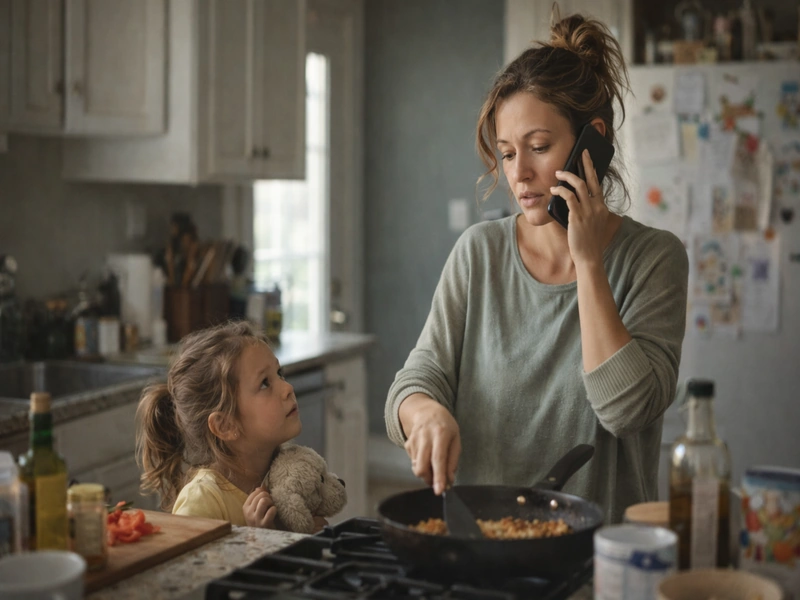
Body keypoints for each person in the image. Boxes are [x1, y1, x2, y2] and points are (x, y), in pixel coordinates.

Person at [384, 12, 689, 524]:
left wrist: (588, 261)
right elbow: (415, 382)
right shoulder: (478, 254)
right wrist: (425, 412)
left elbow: (627, 409)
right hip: (483, 547)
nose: (519, 173)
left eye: (539, 147)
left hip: (598, 564)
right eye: (506, 153)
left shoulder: (654, 259)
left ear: (593, 139)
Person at [136, 320, 329, 531]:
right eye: (265, 383)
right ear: (225, 425)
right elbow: (192, 564)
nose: (287, 388)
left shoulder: (289, 472)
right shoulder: (202, 502)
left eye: (279, 374)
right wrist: (261, 538)